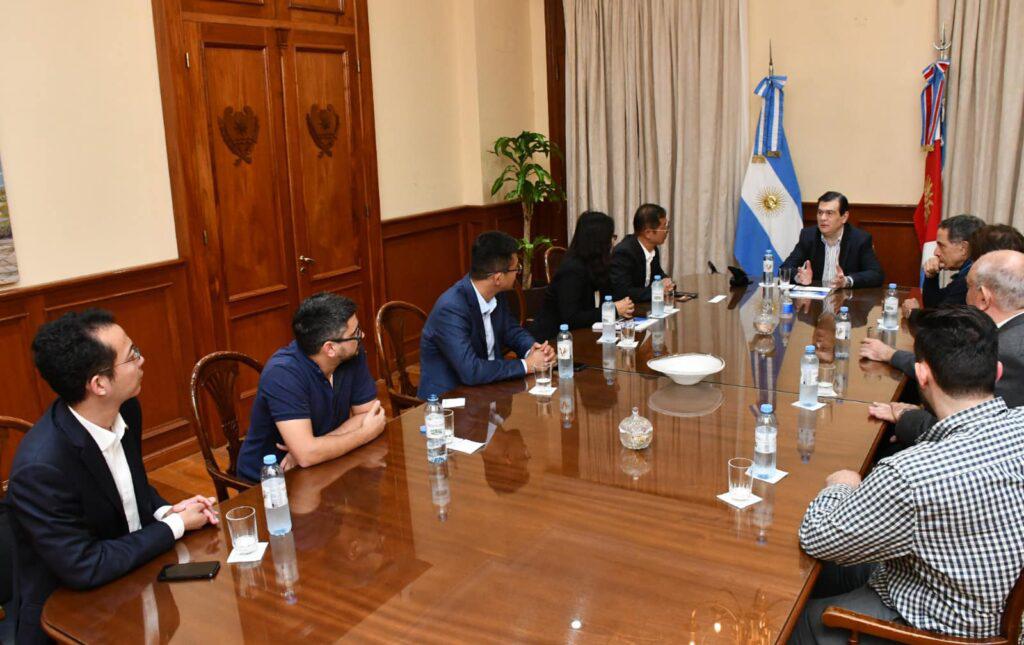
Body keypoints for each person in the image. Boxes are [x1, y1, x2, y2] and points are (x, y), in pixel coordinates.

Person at [794, 306, 1024, 643]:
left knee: (794, 618)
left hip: (941, 628)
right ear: (998, 371)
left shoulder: (910, 474)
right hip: (997, 608)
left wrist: (842, 488)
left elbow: (817, 536)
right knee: (828, 573)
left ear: (922, 375)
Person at [6, 310, 217, 644]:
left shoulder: (124, 409)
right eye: (132, 355)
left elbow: (129, 488)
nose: (142, 360)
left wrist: (166, 511)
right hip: (71, 617)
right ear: (99, 384)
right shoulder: (41, 468)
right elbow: (84, 565)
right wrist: (174, 527)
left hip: (131, 582)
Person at [865, 250, 1024, 445]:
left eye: (968, 287)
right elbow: (951, 369)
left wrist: (906, 416)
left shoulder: (1006, 351)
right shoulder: (1010, 334)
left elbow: (968, 431)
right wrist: (892, 355)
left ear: (983, 298)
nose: (965, 296)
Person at [237, 293, 386, 481]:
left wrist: (313, 448)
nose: (362, 335)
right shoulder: (283, 374)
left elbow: (368, 414)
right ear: (330, 348)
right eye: (355, 333)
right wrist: (364, 434)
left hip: (323, 465)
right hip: (270, 481)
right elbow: (307, 456)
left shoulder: (352, 353)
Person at [418, 231, 555, 398]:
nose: (517, 274)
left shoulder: (496, 293)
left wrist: (533, 350)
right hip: (449, 401)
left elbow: (511, 330)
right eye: (516, 269)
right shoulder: (451, 308)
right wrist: (526, 365)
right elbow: (471, 371)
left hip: (488, 390)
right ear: (498, 278)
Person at [530, 211, 634, 341]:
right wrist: (613, 310)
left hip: (584, 333)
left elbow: (609, 295)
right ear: (598, 240)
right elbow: (572, 318)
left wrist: (623, 304)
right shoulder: (572, 270)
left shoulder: (597, 263)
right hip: (554, 341)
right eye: (611, 237)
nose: (613, 242)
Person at [780, 191, 884, 289]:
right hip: (816, 303)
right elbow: (784, 269)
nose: (823, 218)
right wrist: (798, 277)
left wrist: (846, 281)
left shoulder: (860, 239)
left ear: (844, 217)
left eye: (829, 213)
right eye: (820, 212)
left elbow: (876, 274)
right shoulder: (808, 236)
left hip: (846, 303)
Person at [902, 213, 984, 315]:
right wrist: (932, 276)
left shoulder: (970, 279)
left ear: (963, 248)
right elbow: (934, 305)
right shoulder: (967, 270)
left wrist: (913, 312)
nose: (936, 252)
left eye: (942, 246)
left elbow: (939, 323)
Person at [610, 203, 675, 302]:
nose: (666, 231)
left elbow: (658, 274)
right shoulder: (624, 253)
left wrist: (666, 281)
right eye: (664, 227)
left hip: (645, 308)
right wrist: (657, 291)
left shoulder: (653, 249)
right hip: (623, 313)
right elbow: (624, 292)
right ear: (648, 233)